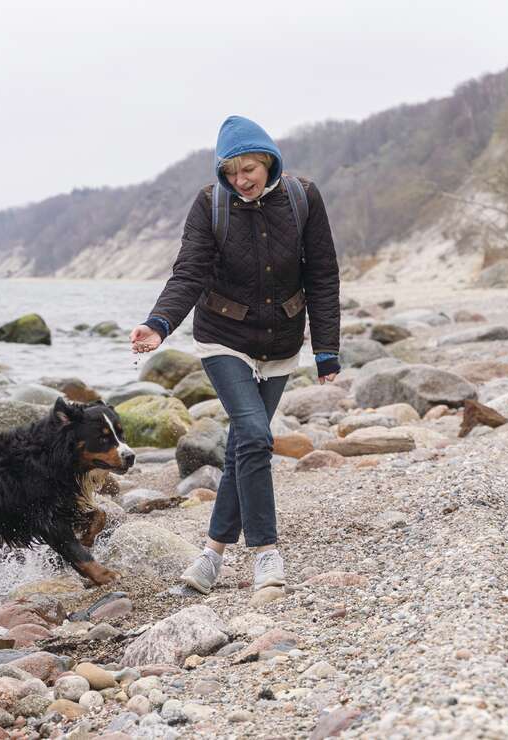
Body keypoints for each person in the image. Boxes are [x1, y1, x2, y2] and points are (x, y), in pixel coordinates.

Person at [129, 115, 341, 594]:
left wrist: (326, 348)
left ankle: (209, 557)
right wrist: (159, 324)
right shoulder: (210, 205)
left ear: (269, 161)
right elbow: (188, 273)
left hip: (282, 342)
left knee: (248, 445)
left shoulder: (303, 198)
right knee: (253, 432)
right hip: (223, 337)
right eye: (230, 171)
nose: (240, 179)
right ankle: (266, 553)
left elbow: (323, 275)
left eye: (249, 168)